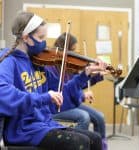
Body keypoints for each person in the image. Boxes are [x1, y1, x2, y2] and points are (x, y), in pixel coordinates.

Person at [0, 11, 107, 150]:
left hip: (44, 124)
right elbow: (3, 94)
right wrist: (43, 98)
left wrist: (85, 75)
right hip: (24, 129)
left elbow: (61, 94)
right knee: (78, 142)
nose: (44, 43)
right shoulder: (9, 61)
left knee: (95, 139)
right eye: (41, 37)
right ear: (26, 37)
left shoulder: (38, 63)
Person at [48, 32, 108, 150]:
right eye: (72, 50)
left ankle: (101, 147)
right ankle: (77, 144)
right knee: (84, 116)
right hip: (58, 106)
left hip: (71, 103)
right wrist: (81, 96)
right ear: (65, 49)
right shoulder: (52, 67)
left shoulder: (69, 66)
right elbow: (66, 91)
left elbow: (77, 84)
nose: (75, 54)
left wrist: (96, 77)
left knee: (99, 117)